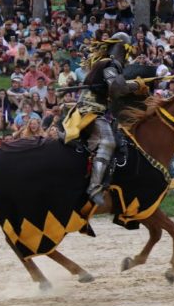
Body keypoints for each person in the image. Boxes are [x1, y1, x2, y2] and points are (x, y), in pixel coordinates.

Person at [62, 32, 149, 206]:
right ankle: (94, 187)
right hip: (90, 110)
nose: (127, 57)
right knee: (108, 141)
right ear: (121, 48)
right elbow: (117, 88)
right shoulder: (109, 63)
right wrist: (136, 85)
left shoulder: (103, 64)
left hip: (95, 110)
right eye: (127, 52)